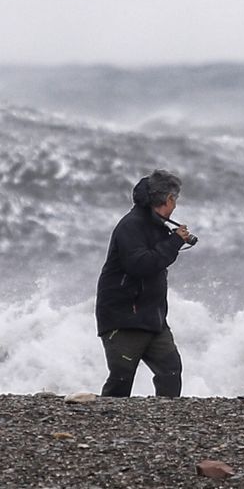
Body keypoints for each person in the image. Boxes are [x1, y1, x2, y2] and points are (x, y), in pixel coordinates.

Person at [94, 169, 194, 397]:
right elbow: (141, 265)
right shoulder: (131, 226)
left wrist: (172, 241)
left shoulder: (156, 225)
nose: (175, 205)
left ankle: (166, 419)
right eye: (175, 199)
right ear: (168, 199)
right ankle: (106, 421)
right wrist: (174, 242)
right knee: (121, 377)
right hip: (123, 318)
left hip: (152, 318)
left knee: (170, 370)